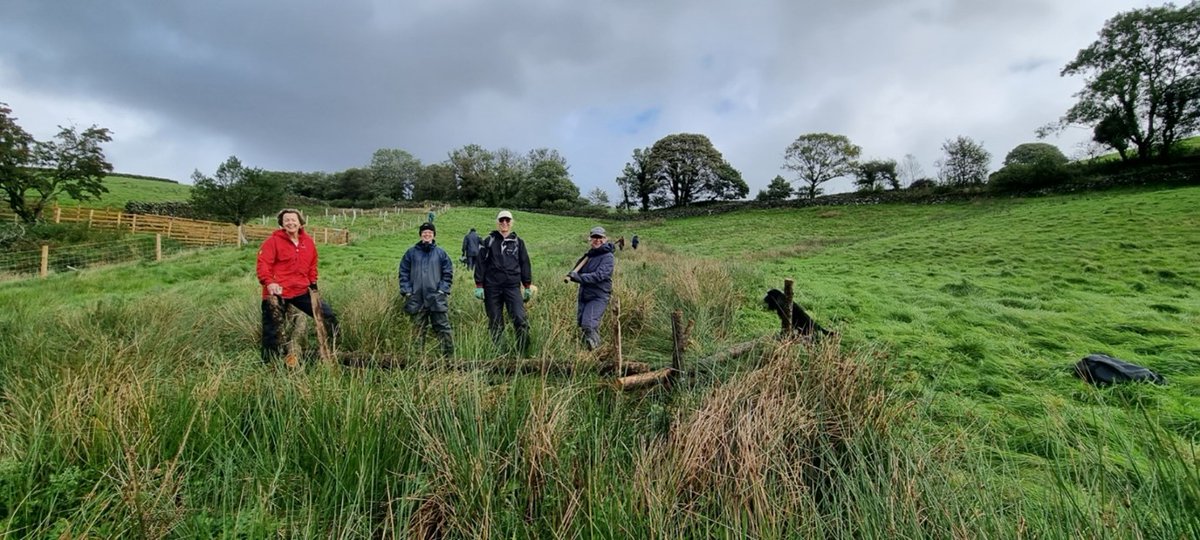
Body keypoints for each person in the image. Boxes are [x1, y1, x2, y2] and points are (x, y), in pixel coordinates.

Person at [256, 208, 339, 363]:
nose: (290, 222)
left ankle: (334, 349)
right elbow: (263, 264)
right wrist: (270, 282)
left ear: (300, 223)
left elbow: (312, 265)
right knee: (272, 329)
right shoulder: (272, 242)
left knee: (328, 316)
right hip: (277, 291)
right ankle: (269, 363)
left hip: (300, 290)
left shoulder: (308, 242)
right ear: (281, 224)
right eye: (286, 220)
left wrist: (313, 284)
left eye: (293, 219)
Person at [474, 210, 533, 355]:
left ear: (511, 222)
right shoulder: (488, 241)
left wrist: (527, 286)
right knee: (495, 322)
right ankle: (500, 353)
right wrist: (479, 286)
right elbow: (480, 263)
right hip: (492, 287)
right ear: (498, 222)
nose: (504, 223)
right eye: (502, 221)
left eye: (507, 220)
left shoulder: (519, 242)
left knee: (520, 319)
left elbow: (525, 263)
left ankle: (522, 352)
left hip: (512, 286)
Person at [399, 222, 454, 357]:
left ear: (433, 235)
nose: (427, 234)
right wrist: (407, 291)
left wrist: (442, 291)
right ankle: (417, 359)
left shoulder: (441, 253)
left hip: (436, 298)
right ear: (420, 235)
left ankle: (448, 358)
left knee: (443, 328)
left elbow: (448, 273)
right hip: (416, 298)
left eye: (430, 232)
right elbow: (403, 273)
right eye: (424, 232)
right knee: (417, 329)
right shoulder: (411, 253)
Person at [566, 226, 615, 350]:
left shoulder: (608, 257)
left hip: (599, 295)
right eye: (594, 237)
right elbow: (576, 270)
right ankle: (589, 354)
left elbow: (599, 275)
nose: (597, 240)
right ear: (590, 239)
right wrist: (573, 274)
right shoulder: (590, 255)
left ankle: (596, 351)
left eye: (600, 237)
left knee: (589, 324)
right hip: (585, 294)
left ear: (605, 239)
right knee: (583, 325)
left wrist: (579, 277)